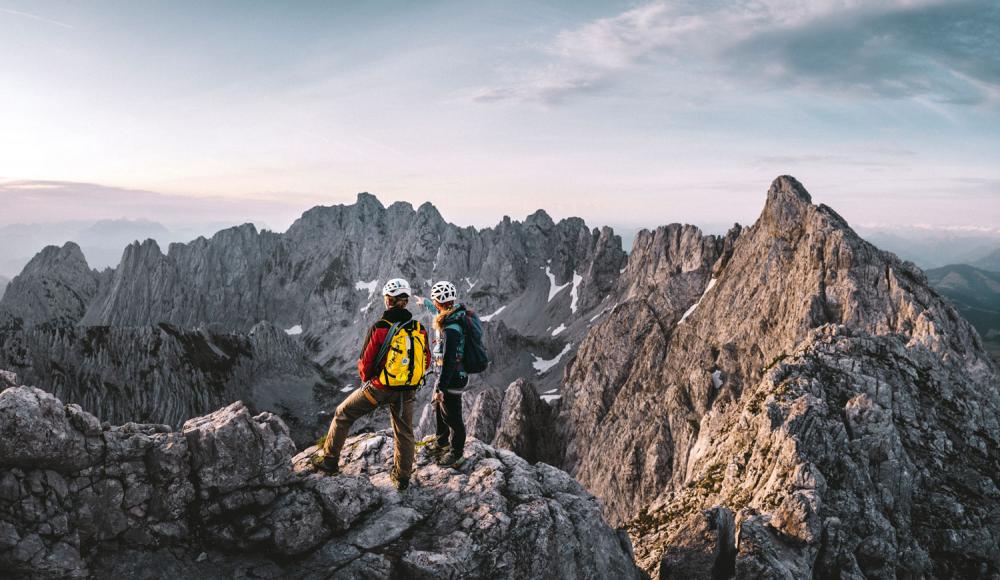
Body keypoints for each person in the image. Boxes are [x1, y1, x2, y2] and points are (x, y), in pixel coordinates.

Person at [313, 278, 429, 490]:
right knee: (404, 432)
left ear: (389, 300)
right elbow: (426, 360)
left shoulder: (380, 327)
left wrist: (372, 381)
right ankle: (402, 478)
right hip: (406, 391)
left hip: (380, 388)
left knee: (343, 413)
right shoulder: (418, 328)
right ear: (406, 301)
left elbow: (365, 364)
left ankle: (329, 462)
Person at [424, 280, 469, 469]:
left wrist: (441, 387)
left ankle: (456, 454)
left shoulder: (451, 328)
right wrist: (424, 302)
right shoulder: (449, 316)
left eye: (433, 302)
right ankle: (441, 442)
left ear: (438, 302)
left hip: (452, 378)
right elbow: (436, 311)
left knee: (452, 417)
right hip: (448, 375)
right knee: (439, 409)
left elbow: (450, 360)